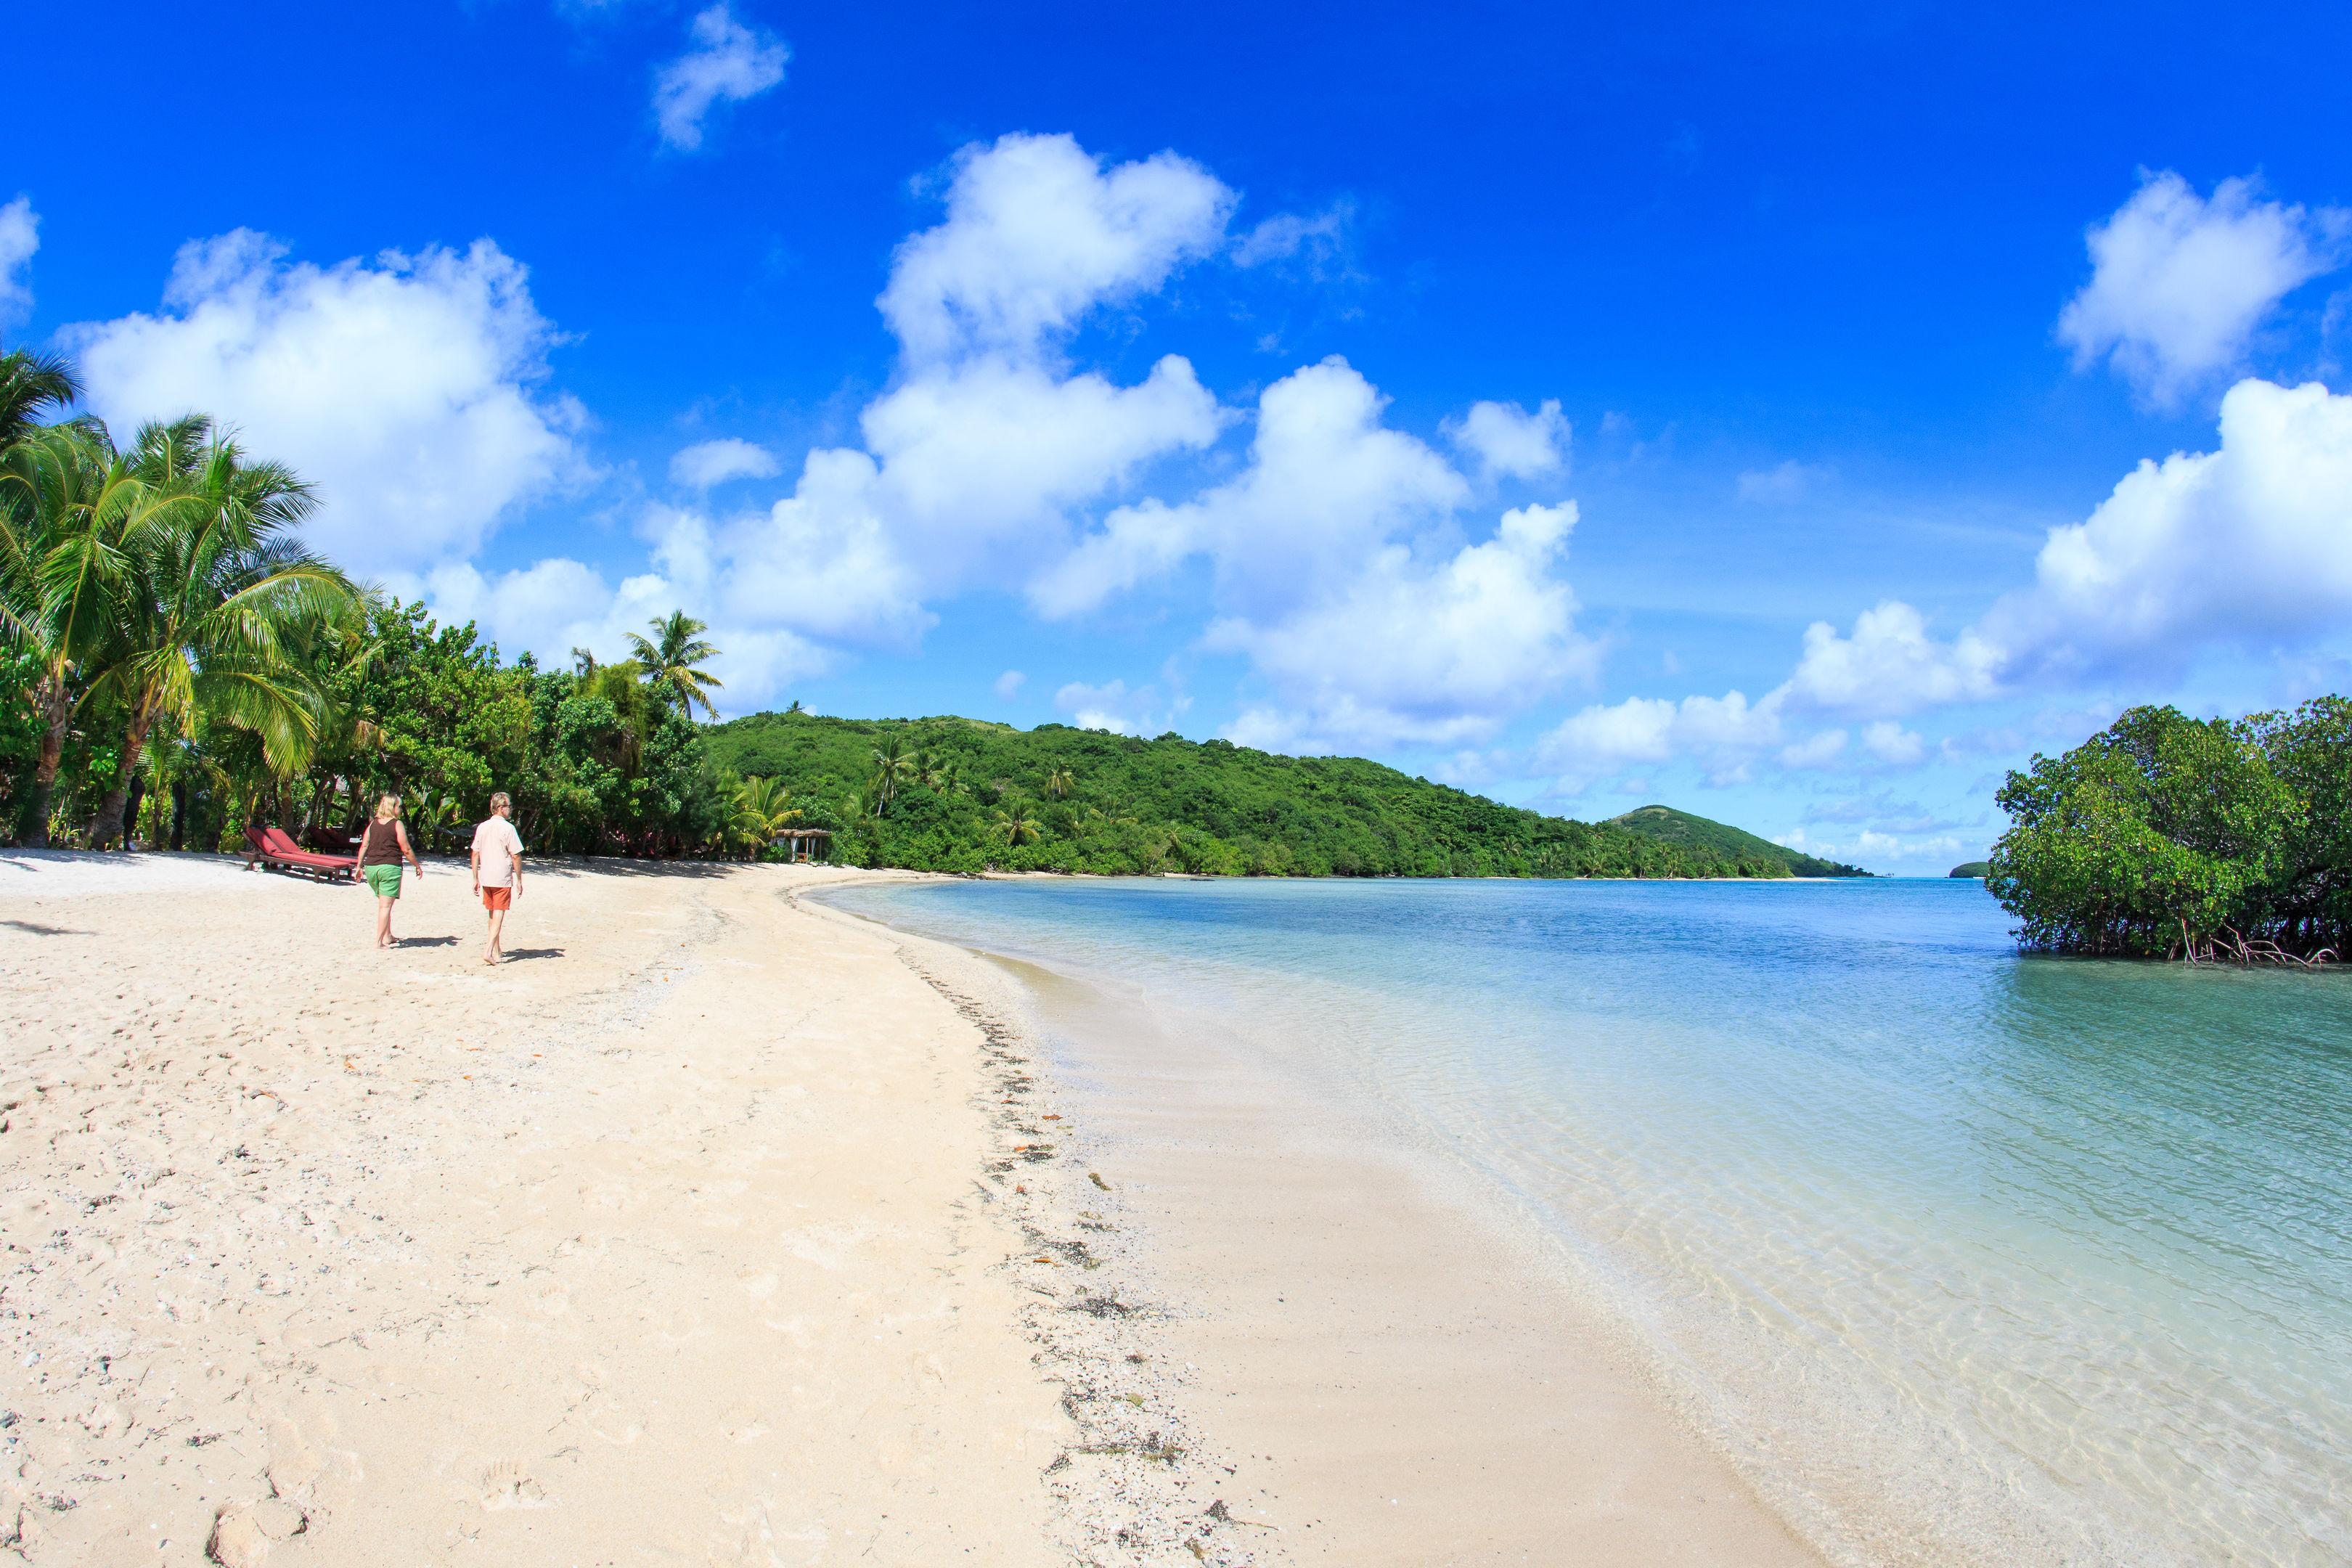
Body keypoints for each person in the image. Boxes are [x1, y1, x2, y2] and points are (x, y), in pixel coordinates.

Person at [356, 793, 425, 949]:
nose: (400, 809)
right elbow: (406, 849)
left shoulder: (373, 824)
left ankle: (388, 935)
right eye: (399, 806)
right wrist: (417, 865)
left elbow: (365, 845)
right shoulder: (397, 824)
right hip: (389, 868)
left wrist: (359, 866)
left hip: (372, 867)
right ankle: (379, 942)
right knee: (385, 907)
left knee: (383, 904)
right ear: (392, 807)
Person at [470, 791, 526, 966]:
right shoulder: (508, 829)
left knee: (492, 912)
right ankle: (488, 950)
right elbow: (516, 855)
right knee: (499, 914)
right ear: (501, 808)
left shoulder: (482, 827)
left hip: (487, 876)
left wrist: (475, 878)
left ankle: (496, 949)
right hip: (501, 876)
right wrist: (519, 879)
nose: (511, 810)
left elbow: (475, 853)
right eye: (509, 807)